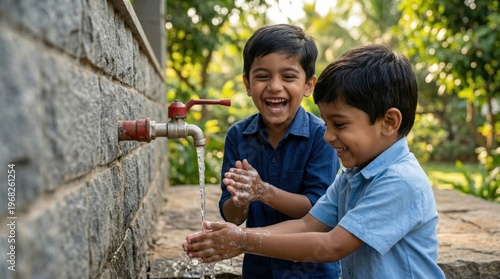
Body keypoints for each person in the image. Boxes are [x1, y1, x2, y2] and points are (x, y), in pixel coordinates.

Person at [183, 44, 446, 278]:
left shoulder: (400, 181)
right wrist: (238, 237)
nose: (328, 136)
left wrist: (242, 241)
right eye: (327, 123)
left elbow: (333, 245)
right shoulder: (351, 175)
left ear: (388, 122)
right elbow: (308, 223)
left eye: (339, 124)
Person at [217, 24, 341, 278]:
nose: (274, 87)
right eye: (262, 76)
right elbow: (231, 216)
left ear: (308, 85)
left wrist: (263, 191)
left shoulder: (322, 136)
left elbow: (318, 210)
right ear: (247, 84)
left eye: (288, 77)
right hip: (258, 269)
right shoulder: (239, 137)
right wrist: (240, 201)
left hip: (311, 270)